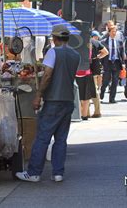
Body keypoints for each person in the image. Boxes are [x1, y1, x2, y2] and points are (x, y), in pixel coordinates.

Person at [16, 25, 80, 183]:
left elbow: (48, 75)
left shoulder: (53, 52)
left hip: (53, 100)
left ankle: (34, 172)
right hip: (68, 100)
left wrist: (38, 95)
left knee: (42, 137)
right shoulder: (75, 54)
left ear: (55, 38)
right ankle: (58, 173)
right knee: (61, 139)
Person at [100, 25, 125, 104]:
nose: (114, 33)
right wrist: (101, 63)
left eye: (115, 32)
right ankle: (102, 90)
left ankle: (112, 98)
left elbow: (121, 53)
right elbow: (101, 53)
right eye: (113, 31)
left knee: (115, 81)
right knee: (106, 81)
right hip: (108, 63)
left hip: (117, 63)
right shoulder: (103, 42)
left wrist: (123, 63)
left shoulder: (119, 41)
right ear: (109, 32)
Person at [89, 30, 108, 118]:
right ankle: (97, 111)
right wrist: (97, 57)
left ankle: (85, 112)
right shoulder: (95, 42)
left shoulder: (79, 42)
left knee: (83, 90)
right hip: (94, 67)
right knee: (94, 89)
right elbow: (105, 52)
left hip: (83, 68)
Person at [75, 44, 96, 121]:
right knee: (86, 96)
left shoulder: (75, 49)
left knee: (80, 96)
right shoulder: (88, 48)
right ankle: (84, 115)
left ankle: (81, 114)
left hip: (78, 74)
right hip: (86, 73)